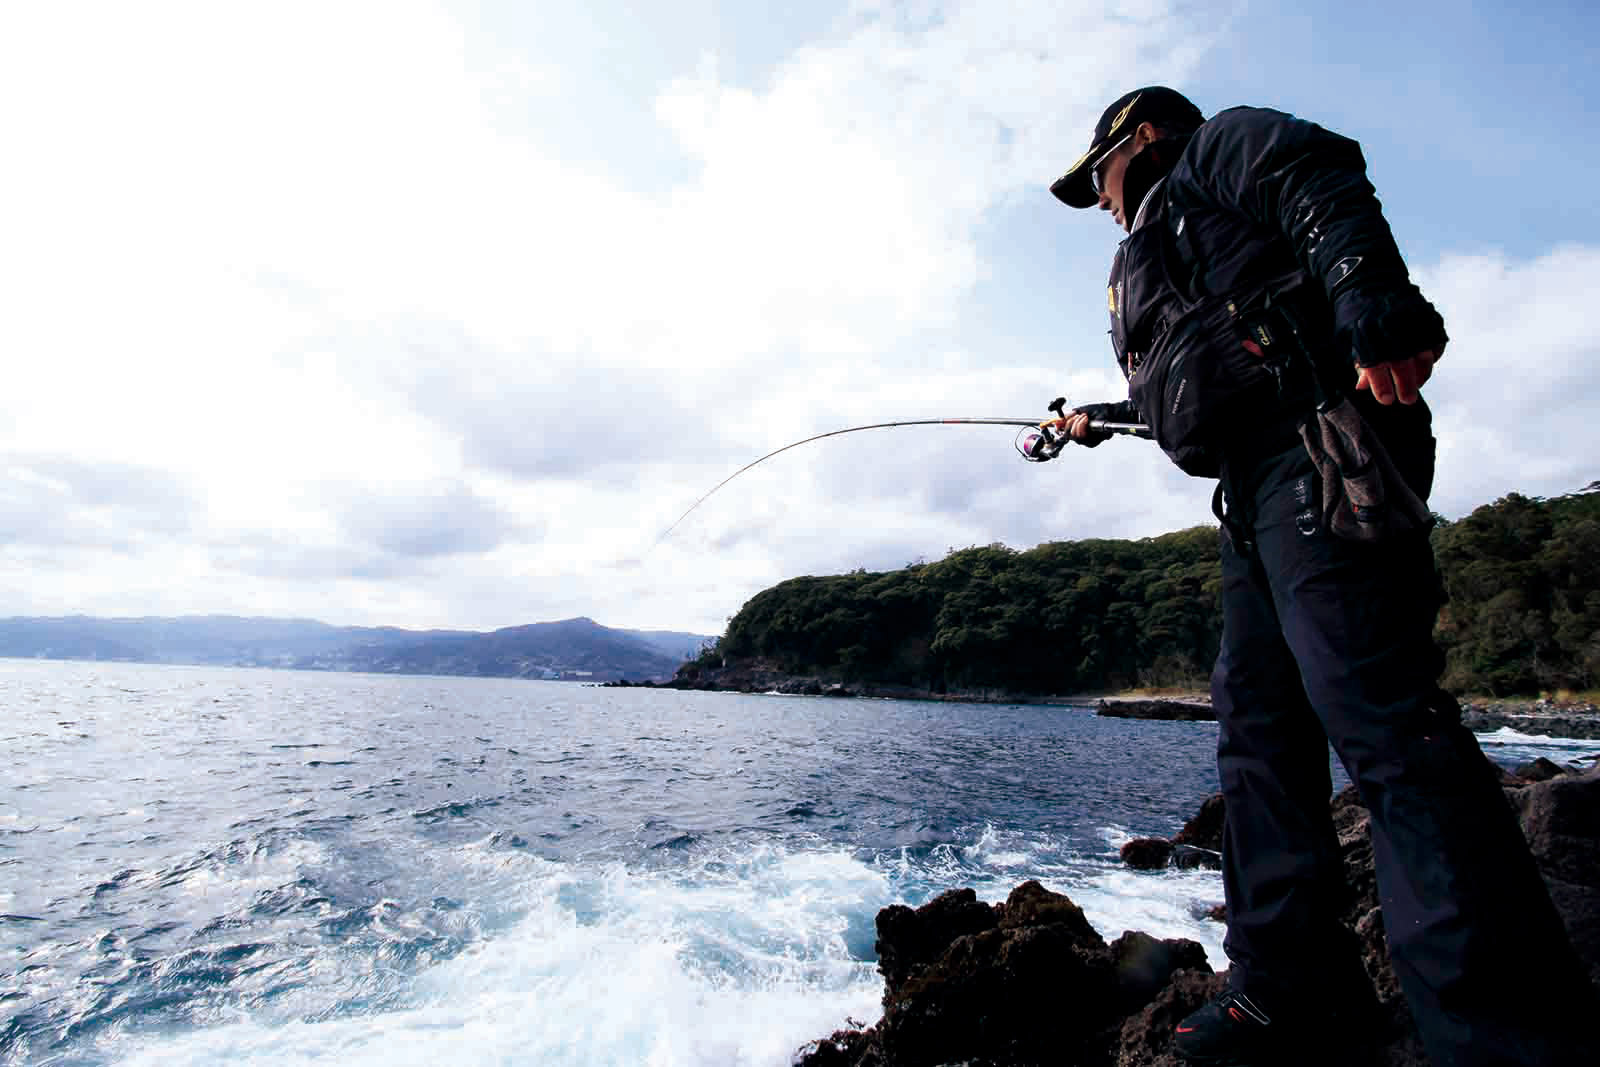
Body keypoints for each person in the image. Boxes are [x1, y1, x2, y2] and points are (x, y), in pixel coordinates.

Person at [1048, 87, 1596, 1066]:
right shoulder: (1174, 243)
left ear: (1141, 138)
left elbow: (1314, 172)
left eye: (1098, 178)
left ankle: (1500, 1033)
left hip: (1321, 449)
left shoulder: (1217, 150)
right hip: (1253, 495)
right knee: (1256, 731)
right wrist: (1097, 416)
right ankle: (1287, 987)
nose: (1098, 202)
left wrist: (1368, 297)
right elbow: (1205, 373)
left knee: (1381, 719)